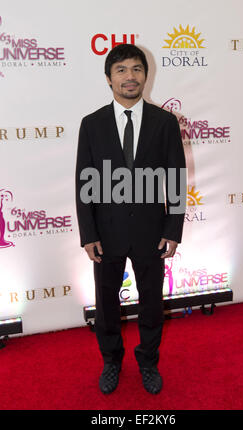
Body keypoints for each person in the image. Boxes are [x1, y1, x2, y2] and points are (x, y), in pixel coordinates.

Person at [75, 44, 185, 394]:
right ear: (109, 79)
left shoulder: (165, 123)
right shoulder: (91, 125)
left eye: (136, 69)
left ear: (145, 75)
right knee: (106, 304)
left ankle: (148, 362)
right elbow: (84, 180)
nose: (130, 76)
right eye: (121, 70)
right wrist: (88, 232)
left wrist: (173, 228)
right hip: (106, 232)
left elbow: (176, 179)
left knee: (151, 301)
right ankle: (111, 362)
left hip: (151, 230)